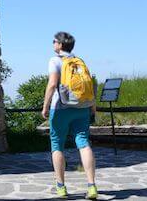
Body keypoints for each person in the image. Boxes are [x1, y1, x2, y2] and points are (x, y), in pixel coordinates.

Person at [41, 32, 98, 199]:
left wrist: (45, 107)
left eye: (54, 41)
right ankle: (92, 186)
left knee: (57, 145)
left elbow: (52, 84)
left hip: (60, 108)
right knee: (83, 143)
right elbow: (90, 86)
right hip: (82, 108)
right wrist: (93, 108)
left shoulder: (55, 60)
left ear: (59, 44)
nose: (52, 44)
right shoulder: (80, 62)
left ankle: (61, 187)